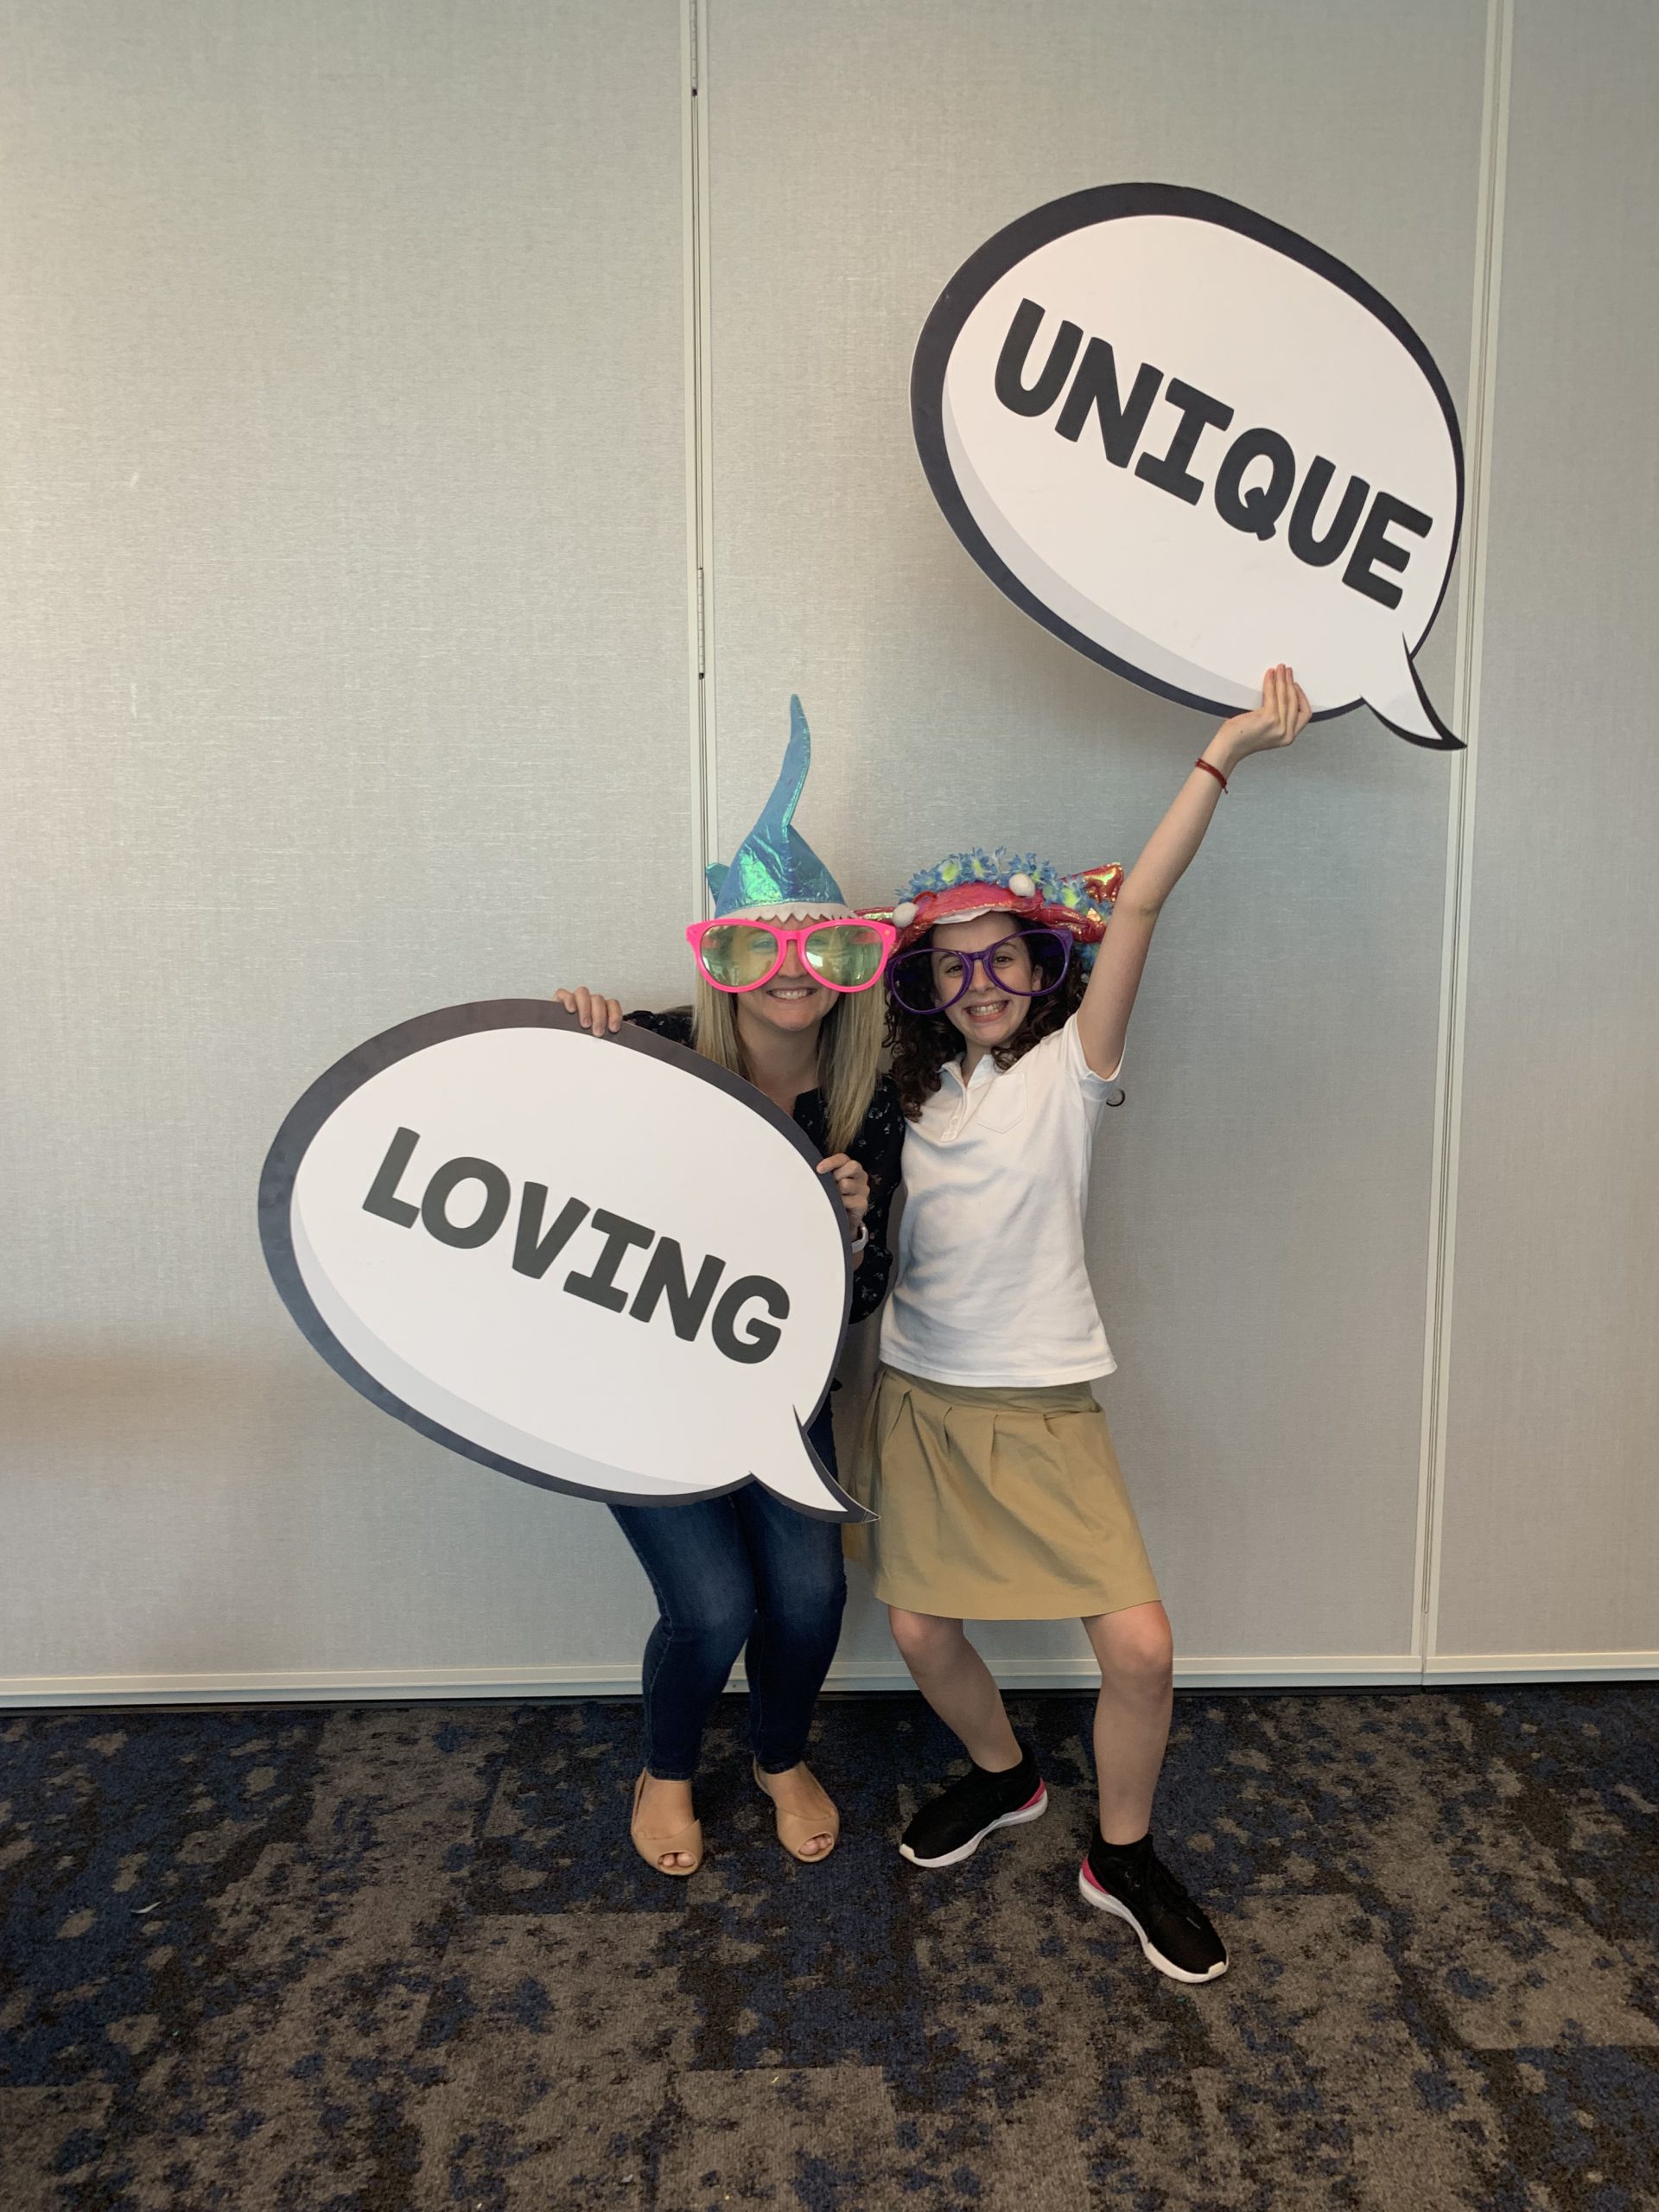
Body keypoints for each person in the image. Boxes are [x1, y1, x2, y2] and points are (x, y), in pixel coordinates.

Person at [854, 664, 1312, 1982]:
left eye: (1005, 957)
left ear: (1044, 967)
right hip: (923, 1400)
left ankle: (1123, 1853)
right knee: (925, 1634)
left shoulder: (1071, 1071)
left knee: (1143, 1648)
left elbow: (1147, 898)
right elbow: (764, 1017)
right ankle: (1006, 1778)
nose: (984, 979)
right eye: (957, 964)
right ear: (925, 986)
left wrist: (1220, 755)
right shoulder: (908, 1099)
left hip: (1045, 1403)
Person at [556, 699, 905, 1877]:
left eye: (817, 949)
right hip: (644, 1401)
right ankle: (664, 1769)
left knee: (807, 1600)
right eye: (760, 945)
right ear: (726, 959)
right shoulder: (655, 1052)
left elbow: (857, 1316)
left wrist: (854, 1236)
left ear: (847, 966)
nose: (790, 972)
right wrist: (569, 1041)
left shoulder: (871, 1104)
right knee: (711, 1609)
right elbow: (541, 1157)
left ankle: (774, 1751)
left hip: (772, 1402)